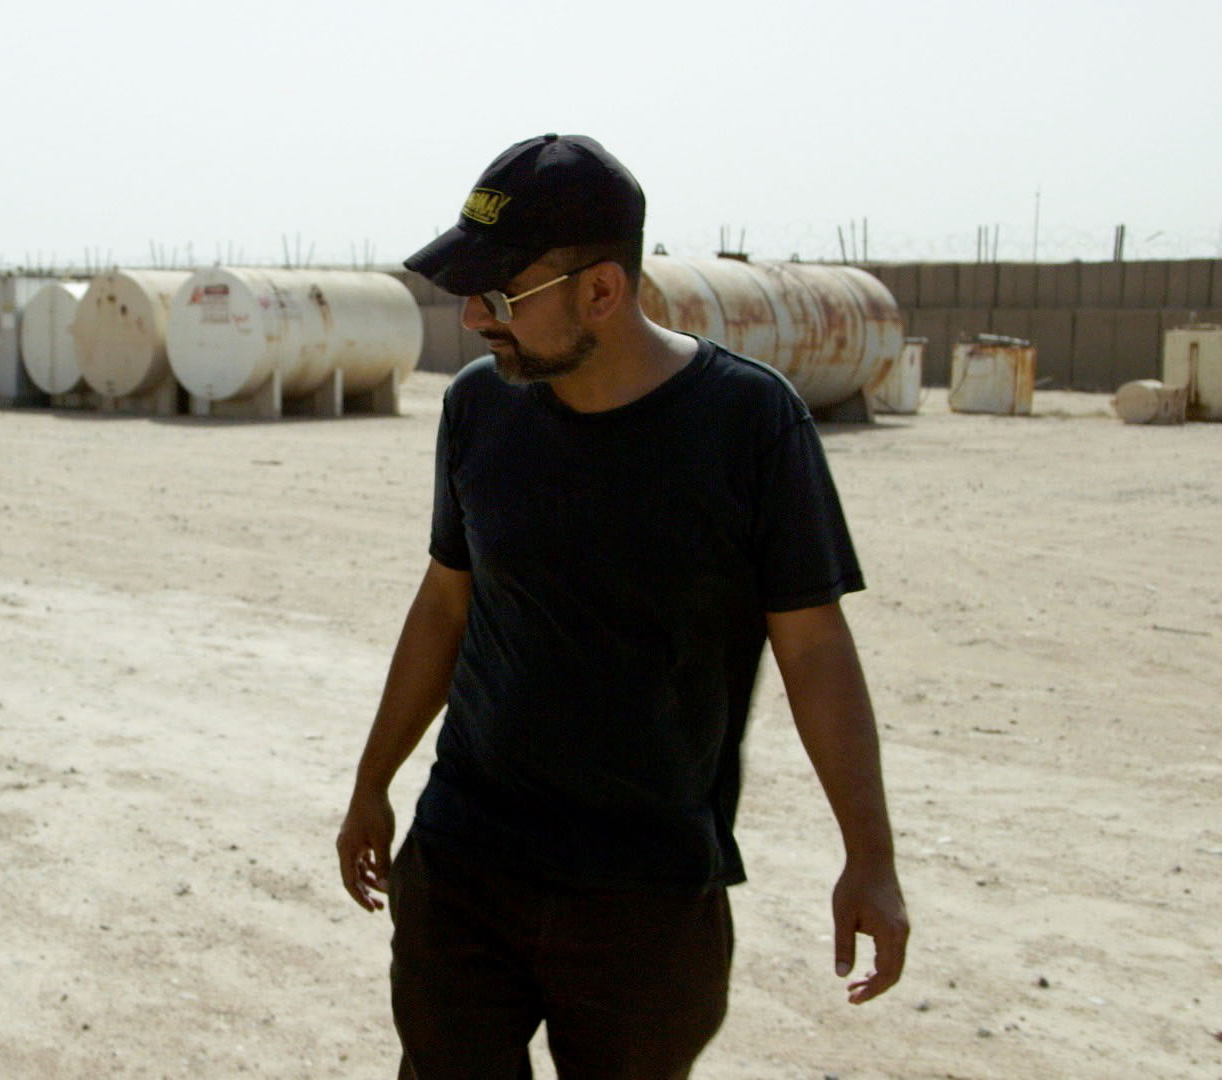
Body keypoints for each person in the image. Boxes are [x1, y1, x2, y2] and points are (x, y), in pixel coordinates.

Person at [334, 135, 909, 1078]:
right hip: (464, 865)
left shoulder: (749, 426)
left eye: (501, 295)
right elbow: (445, 604)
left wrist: (870, 858)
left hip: (643, 899)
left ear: (601, 290)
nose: (475, 318)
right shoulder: (480, 407)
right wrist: (372, 782)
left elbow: (815, 652)